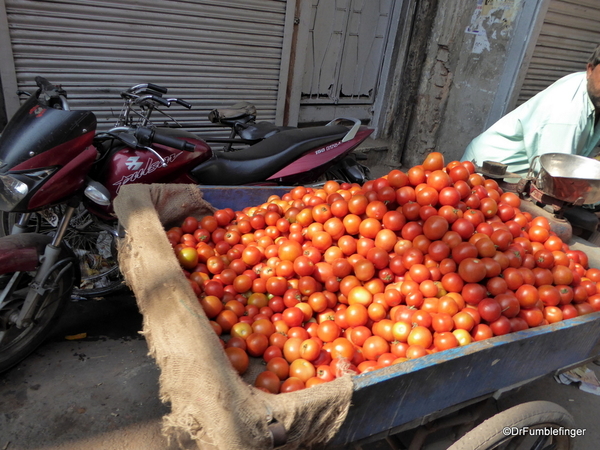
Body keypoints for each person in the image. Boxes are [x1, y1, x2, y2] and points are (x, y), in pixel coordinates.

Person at [461, 44, 600, 176]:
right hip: (487, 172)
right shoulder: (566, 113)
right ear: (590, 70)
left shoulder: (592, 92)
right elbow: (555, 177)